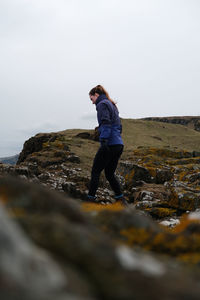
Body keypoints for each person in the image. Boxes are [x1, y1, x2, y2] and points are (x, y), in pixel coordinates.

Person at [86, 84, 127, 205]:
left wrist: (103, 140)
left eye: (91, 99)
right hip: (118, 144)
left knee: (95, 171)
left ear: (96, 95)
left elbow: (105, 122)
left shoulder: (102, 104)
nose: (92, 102)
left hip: (109, 144)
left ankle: (90, 199)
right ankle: (121, 199)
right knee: (109, 173)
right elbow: (119, 126)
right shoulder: (112, 104)